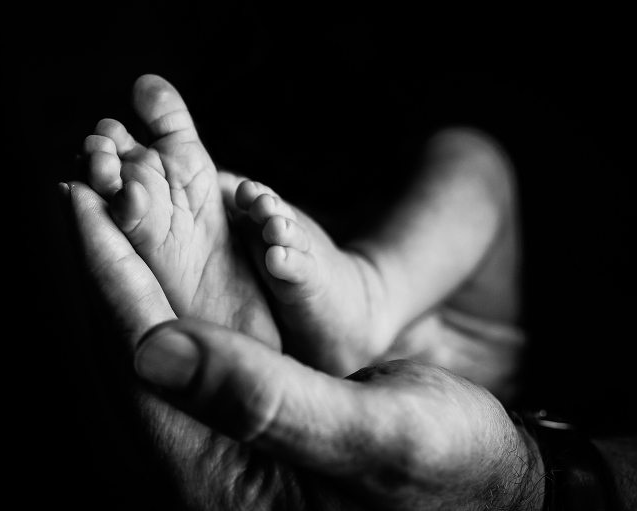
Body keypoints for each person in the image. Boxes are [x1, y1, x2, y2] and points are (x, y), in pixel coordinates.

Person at [61, 75, 636, 509]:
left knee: (471, 162)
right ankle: (355, 298)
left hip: (452, 374)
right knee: (472, 162)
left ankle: (346, 303)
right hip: (467, 355)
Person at [80, 74, 523, 402]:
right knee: (273, 239)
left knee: (472, 161)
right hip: (331, 366)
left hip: (469, 361)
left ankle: (370, 293)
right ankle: (260, 330)